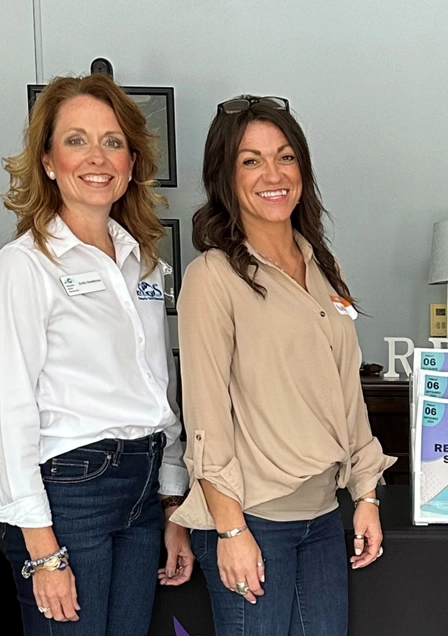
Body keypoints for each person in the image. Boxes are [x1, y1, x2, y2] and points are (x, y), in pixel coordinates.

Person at [169, 95, 394, 635]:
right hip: (253, 519)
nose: (273, 174)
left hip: (321, 515)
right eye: (251, 160)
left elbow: (347, 393)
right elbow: (206, 419)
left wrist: (366, 495)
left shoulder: (324, 265)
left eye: (285, 156)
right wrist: (228, 531)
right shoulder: (212, 277)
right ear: (225, 176)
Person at [0, 74, 193, 635]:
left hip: (142, 482)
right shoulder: (25, 265)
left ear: (132, 162)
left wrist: (171, 498)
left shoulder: (145, 263)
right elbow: (9, 407)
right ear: (48, 160)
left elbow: (160, 383)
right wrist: (41, 548)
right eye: (76, 140)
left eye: (112, 141)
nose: (97, 157)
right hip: (69, 492)